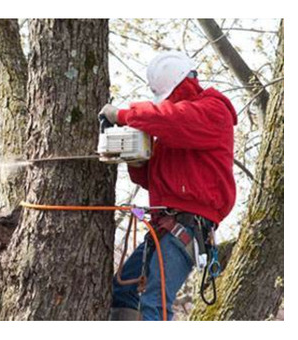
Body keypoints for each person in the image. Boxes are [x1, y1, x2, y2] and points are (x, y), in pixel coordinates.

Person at [99, 51, 237, 321]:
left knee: (155, 302)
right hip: (166, 224)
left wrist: (124, 115)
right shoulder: (175, 129)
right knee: (123, 290)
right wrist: (135, 157)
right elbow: (150, 180)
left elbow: (172, 118)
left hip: (186, 225)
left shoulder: (212, 110)